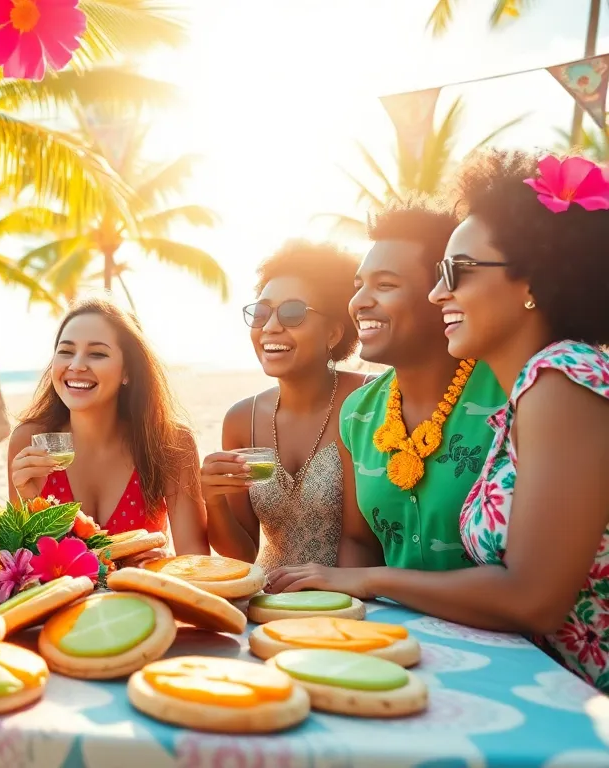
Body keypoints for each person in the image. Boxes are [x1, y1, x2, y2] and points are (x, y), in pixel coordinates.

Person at [278, 150, 609, 689]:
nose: (438, 293)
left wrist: (365, 579)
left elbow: (533, 598)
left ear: (533, 281)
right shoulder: (536, 386)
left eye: (456, 272)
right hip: (527, 680)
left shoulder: (562, 377)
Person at [268, 197, 505, 589]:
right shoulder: (358, 412)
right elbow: (359, 540)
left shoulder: (507, 393)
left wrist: (373, 583)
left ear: (442, 294)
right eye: (358, 286)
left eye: (386, 285)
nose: (359, 302)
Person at [203, 241, 369, 569]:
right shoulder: (241, 420)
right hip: (268, 597)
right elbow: (242, 553)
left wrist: (330, 602)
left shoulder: (367, 400)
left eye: (292, 313)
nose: (270, 327)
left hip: (345, 601)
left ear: (334, 333)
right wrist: (213, 499)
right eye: (261, 313)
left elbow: (363, 541)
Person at [8, 297, 208, 555]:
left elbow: (195, 558)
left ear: (128, 372)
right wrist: (28, 498)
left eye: (97, 354)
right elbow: (23, 565)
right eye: (66, 351)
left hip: (145, 594)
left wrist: (164, 565)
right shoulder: (29, 440)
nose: (76, 365)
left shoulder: (170, 442)